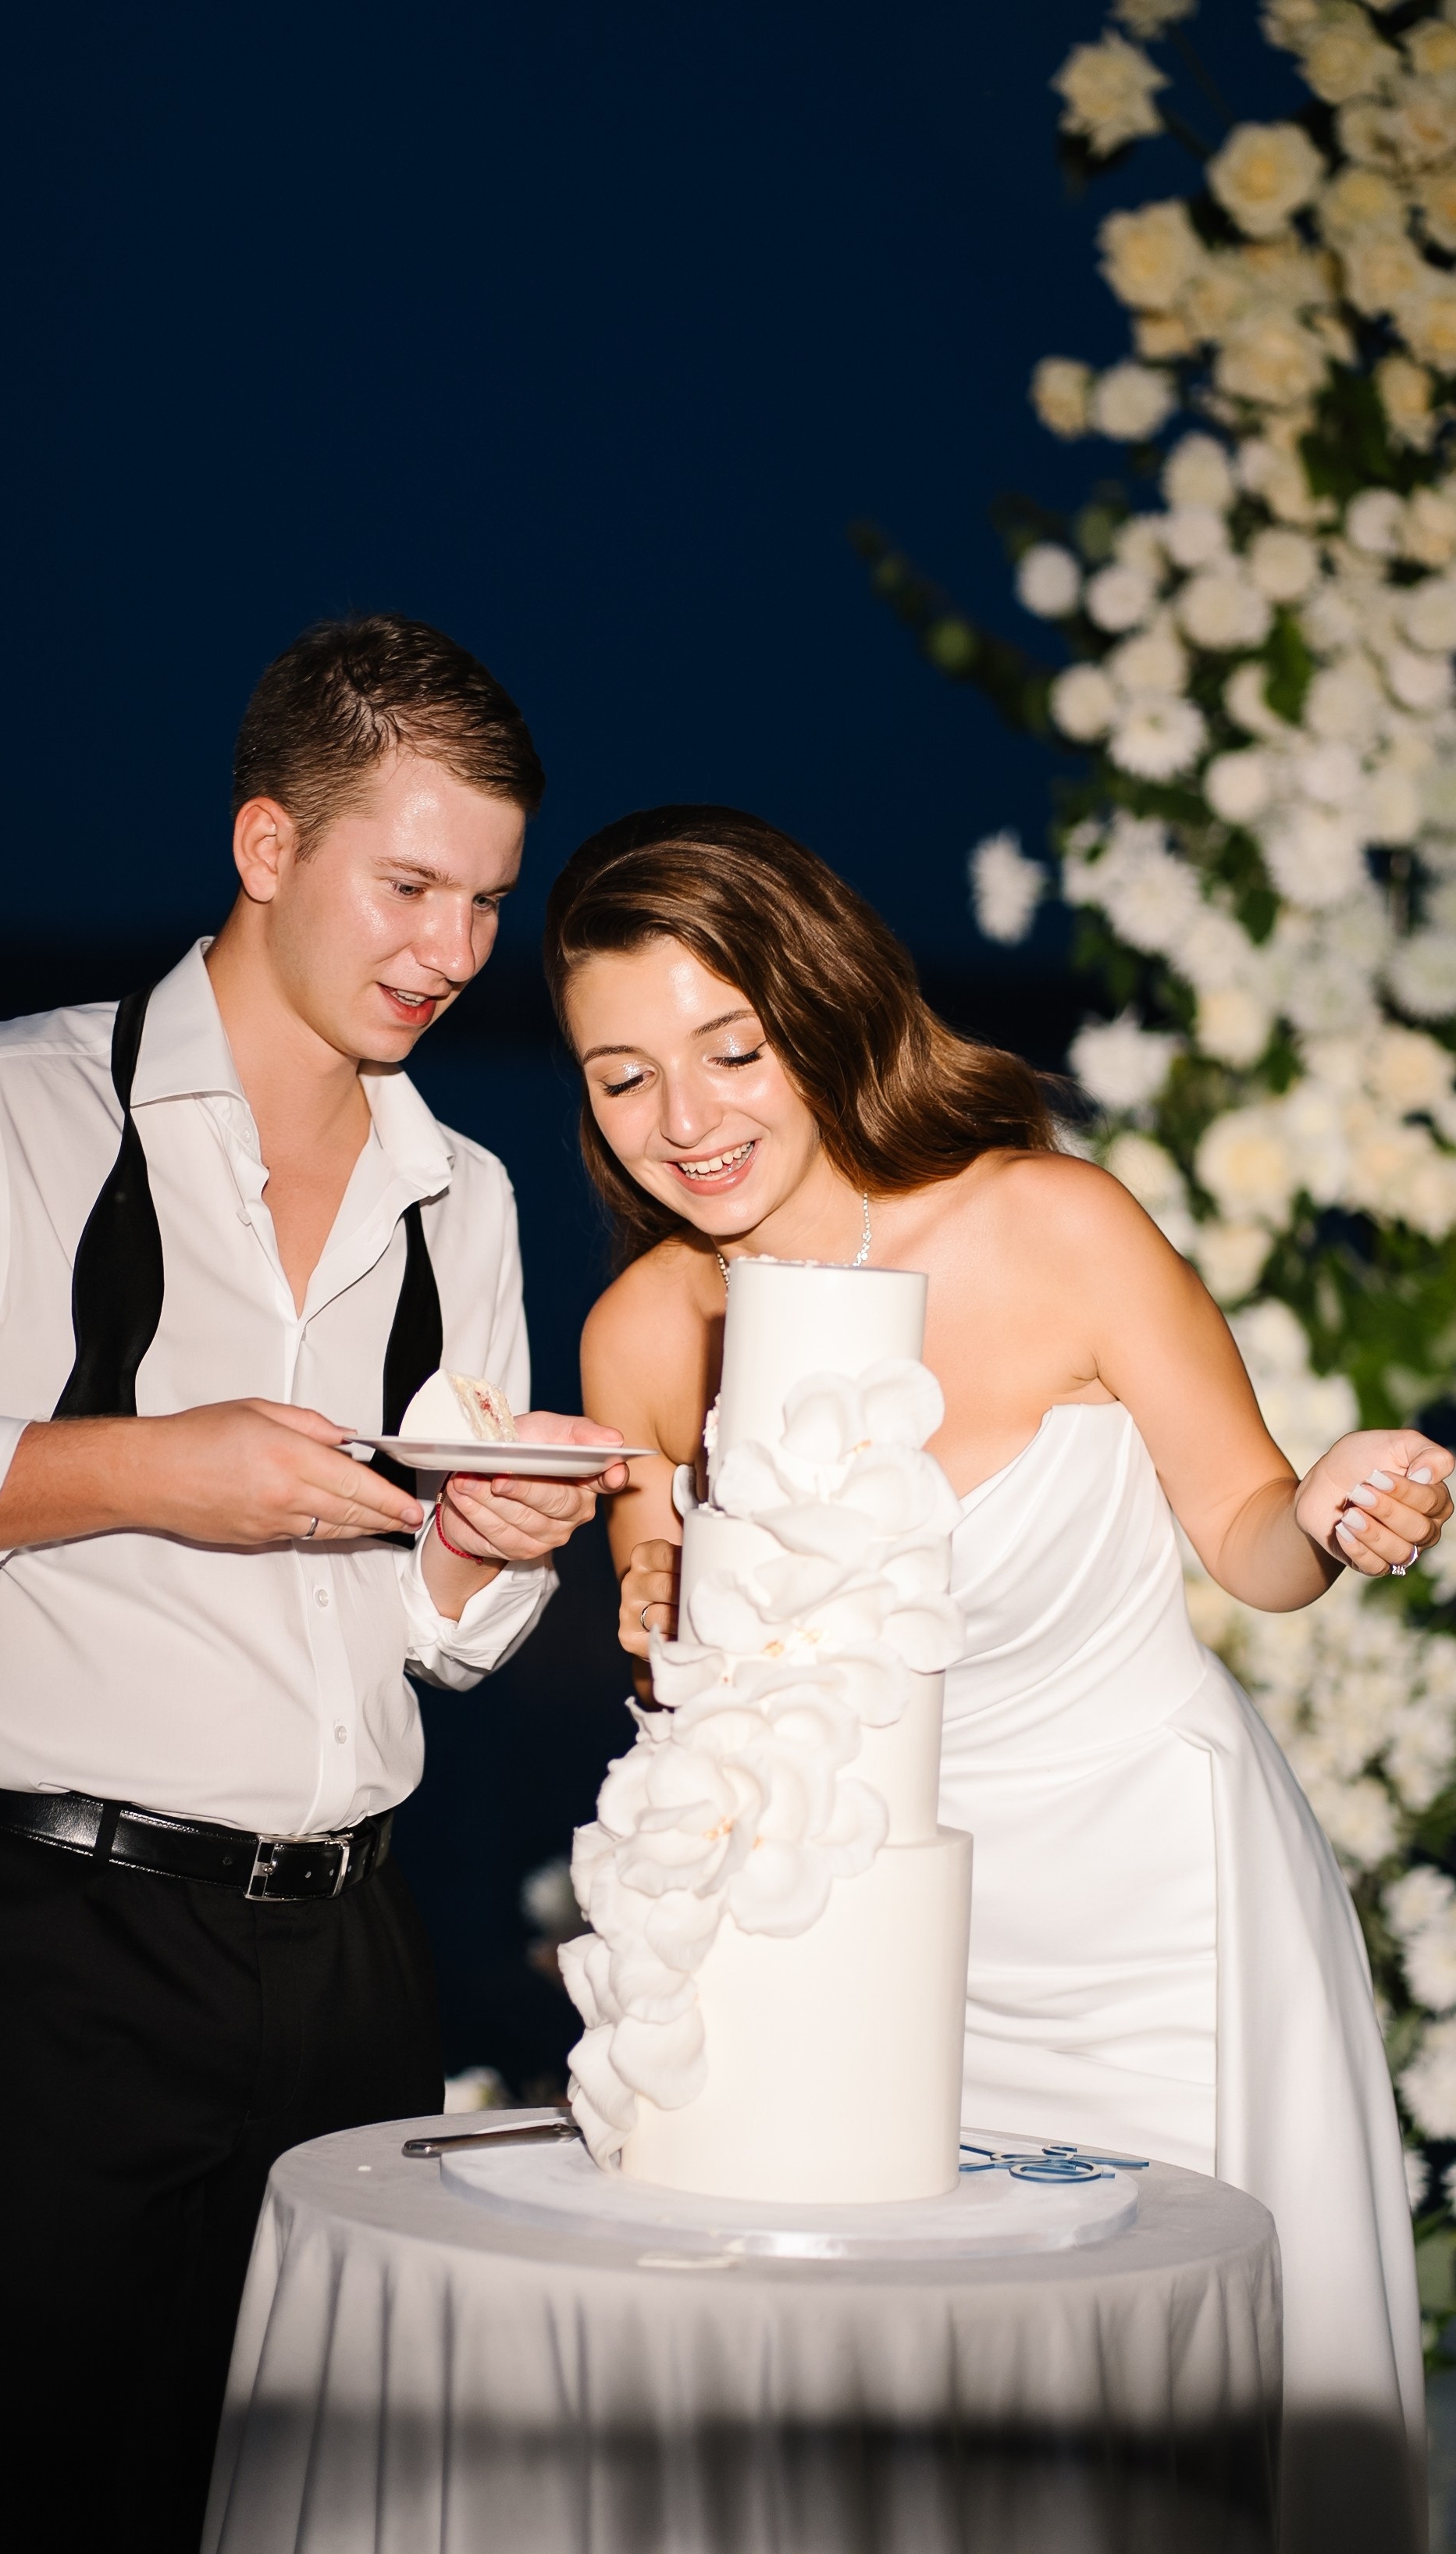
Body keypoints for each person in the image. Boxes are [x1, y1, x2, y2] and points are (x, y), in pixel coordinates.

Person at [0, 614, 626, 2554]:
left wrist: (479, 1549)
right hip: (41, 1938)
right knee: (23, 2506)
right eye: (412, 884)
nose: (455, 950)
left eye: (485, 902)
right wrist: (139, 1469)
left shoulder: (468, 1190)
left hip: (358, 1952)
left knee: (299, 2507)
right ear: (268, 846)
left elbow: (441, 1643)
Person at [544, 803, 1451, 2551]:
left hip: (1149, 1926)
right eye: (620, 1076)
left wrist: (1334, 1510)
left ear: (817, 1008)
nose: (686, 1119)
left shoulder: (1053, 1224)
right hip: (853, 1963)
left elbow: (1252, 1535)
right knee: (892, 2453)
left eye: (729, 1047)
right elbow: (681, 1688)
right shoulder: (646, 1335)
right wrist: (654, 1606)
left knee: (1163, 2444)